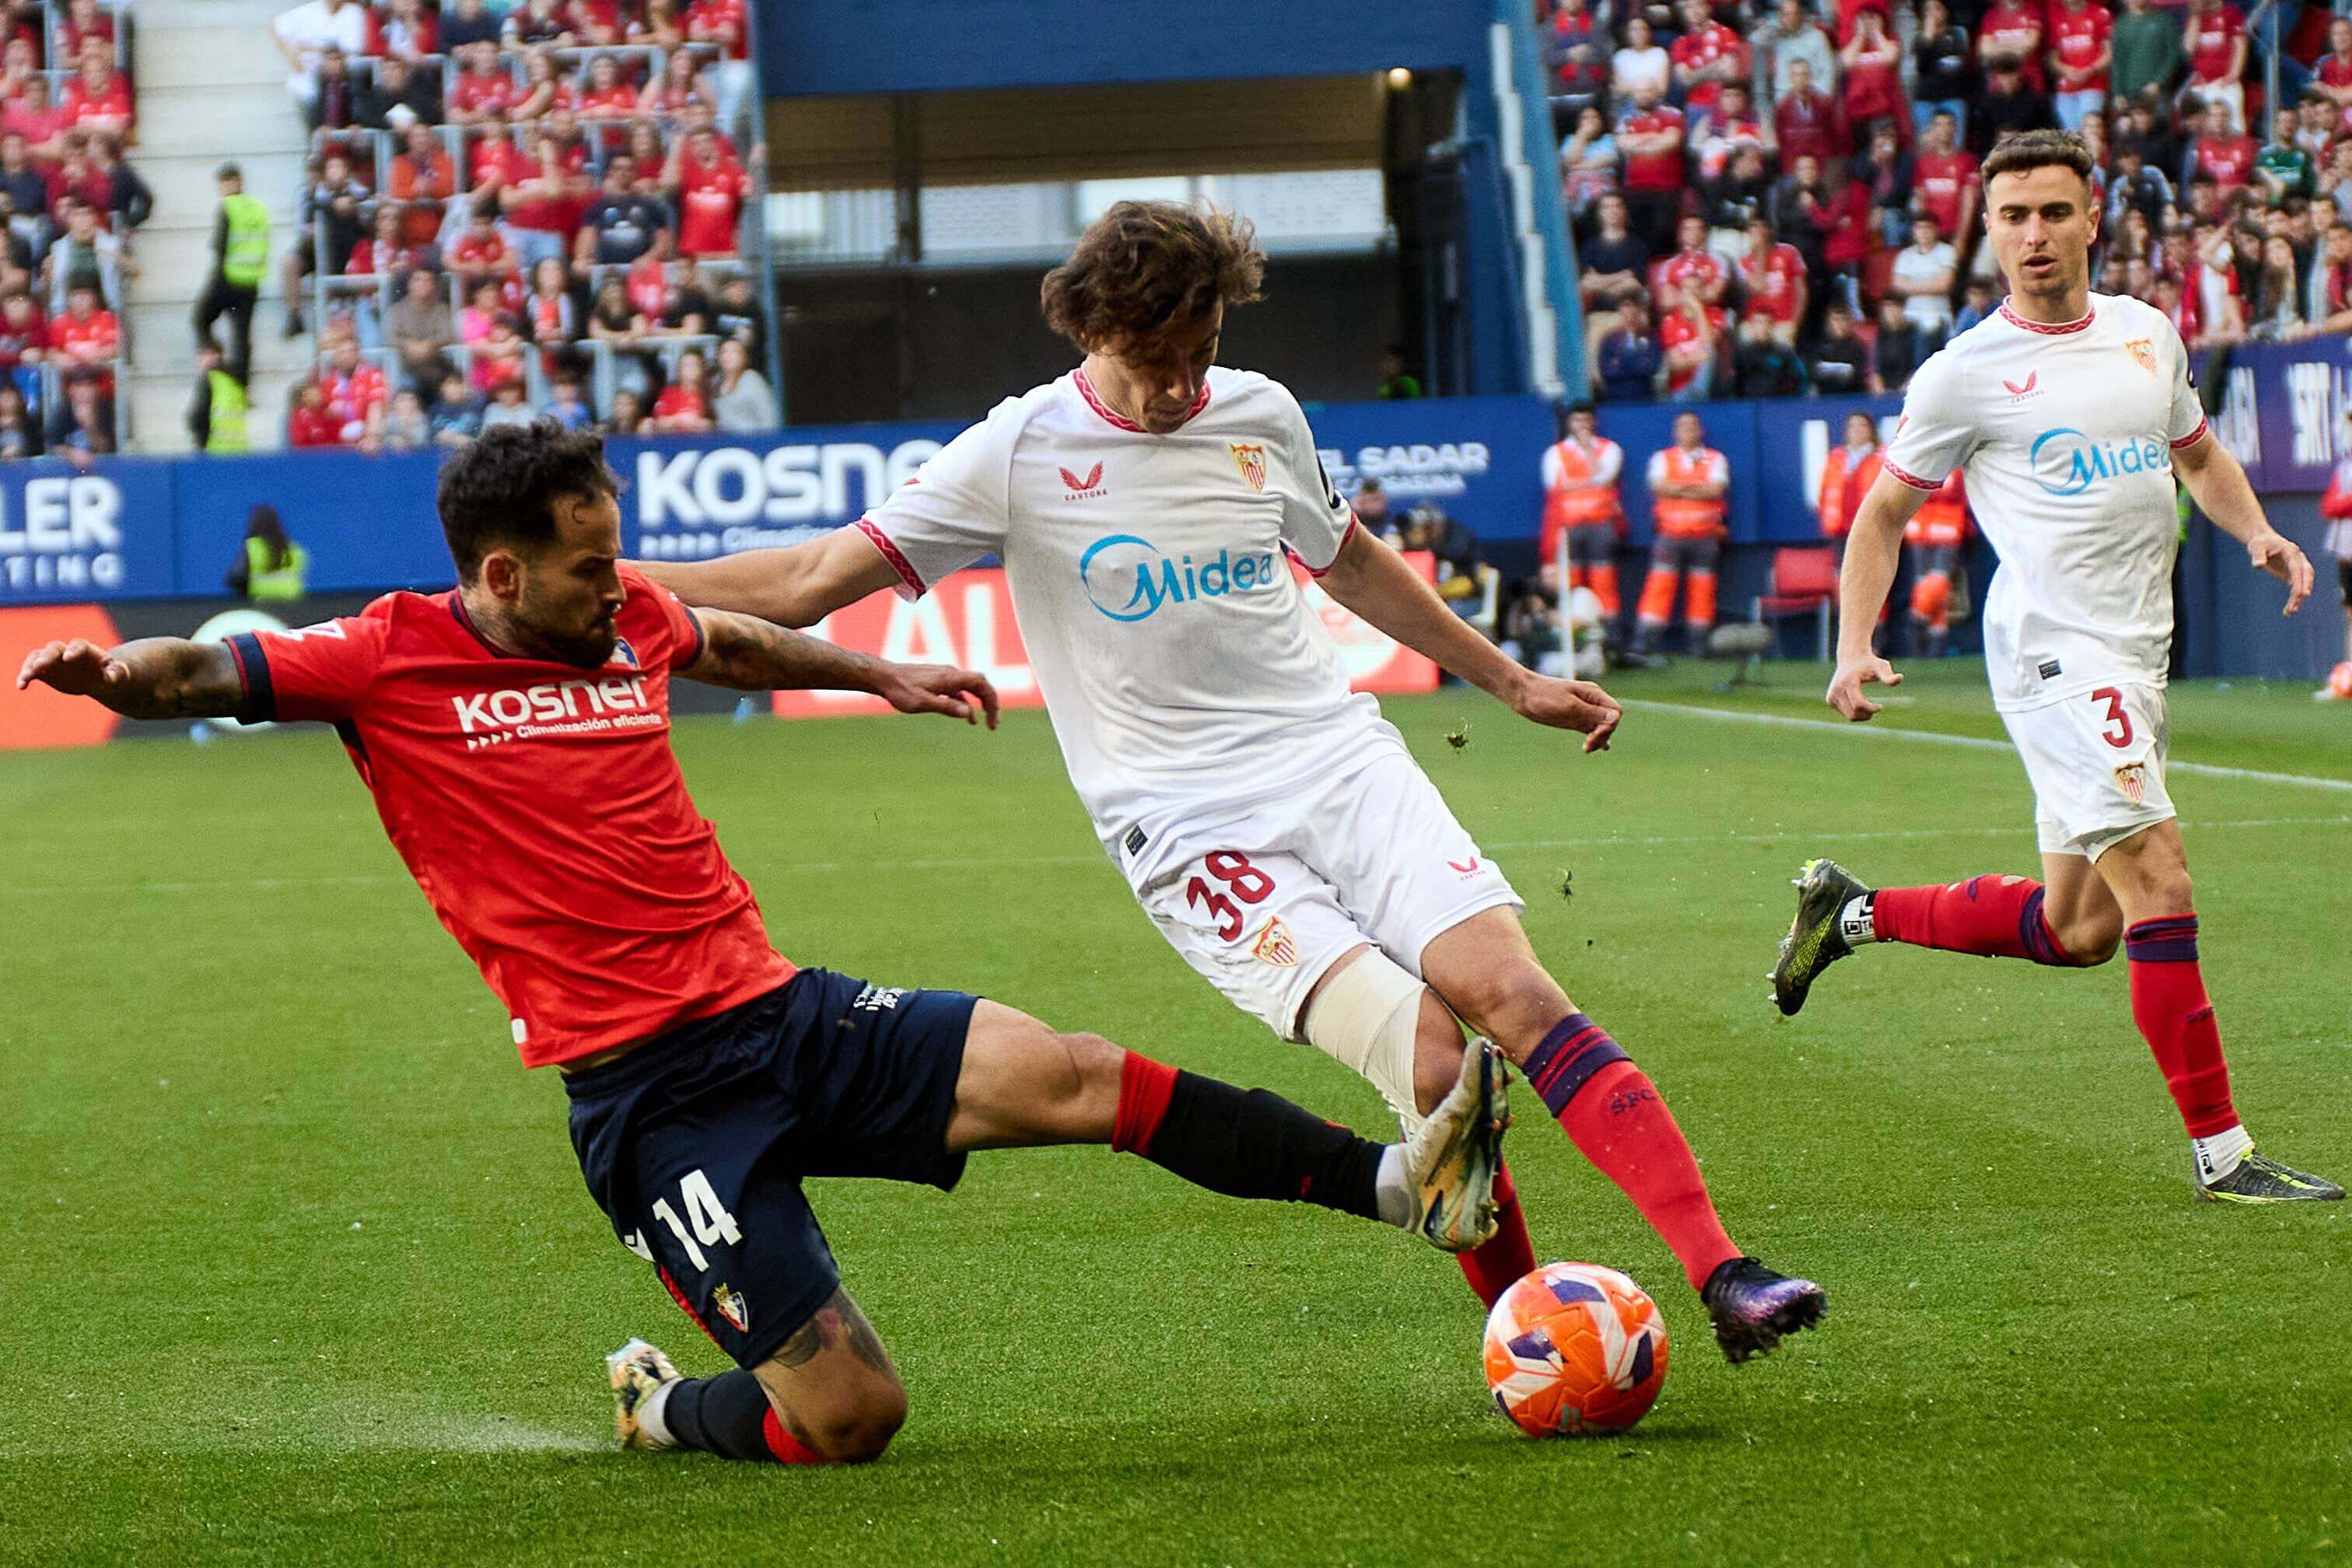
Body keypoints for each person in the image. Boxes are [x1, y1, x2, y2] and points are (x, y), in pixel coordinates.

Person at [15, 425, 1511, 1465]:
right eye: (589, 570)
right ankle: (663, 1412)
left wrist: (881, 673)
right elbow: (208, 661)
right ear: (495, 578)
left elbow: (727, 638)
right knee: (852, 1419)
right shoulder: (387, 655)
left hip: (781, 1011)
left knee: (1073, 1071)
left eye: (621, 559)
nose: (625, 589)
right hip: (650, 1102)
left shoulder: (633, 626)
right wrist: (111, 675)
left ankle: (1398, 1187)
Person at [635, 203, 1826, 1357]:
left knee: (1515, 994)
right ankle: (1530, 1337)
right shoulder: (1018, 450)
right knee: (1431, 1063)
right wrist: (603, 581)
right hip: (1188, 829)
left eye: (1198, 353)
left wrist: (1510, 682)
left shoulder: (1258, 414)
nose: (1175, 387)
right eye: (1151, 361)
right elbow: (803, 580)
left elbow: (1348, 560)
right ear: (1088, 331)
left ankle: (1724, 1271)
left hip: (1337, 760)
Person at [1774, 130, 2340, 1206]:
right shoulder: (1964, 375)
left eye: (2052, 212)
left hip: (2136, 652)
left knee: (2082, 929)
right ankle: (2224, 1155)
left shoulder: (2143, 336)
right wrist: (1853, 646)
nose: (2034, 234)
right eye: (2012, 217)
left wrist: (2257, 532)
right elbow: (1883, 514)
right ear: (1988, 233)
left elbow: (2200, 456)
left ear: (2093, 220)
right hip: (2053, 656)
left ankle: (1852, 914)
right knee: (2163, 878)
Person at [1631, 410, 1731, 656]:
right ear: (1675, 432)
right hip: (1670, 535)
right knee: (1659, 587)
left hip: (1705, 536)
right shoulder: (1662, 458)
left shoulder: (1715, 458)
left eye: (1693, 426)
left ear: (1700, 430)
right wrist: (1696, 488)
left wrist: (1678, 489)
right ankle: (1646, 642)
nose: (1688, 431)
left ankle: (1699, 644)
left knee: (1703, 589)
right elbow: (1658, 486)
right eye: (1683, 426)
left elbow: (1716, 490)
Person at [1538, 404, 1624, 619]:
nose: (1582, 426)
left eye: (1586, 420)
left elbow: (1607, 479)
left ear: (1593, 422)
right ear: (1569, 423)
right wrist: (1593, 481)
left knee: (1603, 579)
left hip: (1601, 524)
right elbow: (1554, 485)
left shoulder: (1609, 449)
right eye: (1577, 420)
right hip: (1567, 526)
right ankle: (1573, 628)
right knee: (1569, 580)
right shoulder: (1555, 453)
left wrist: (1587, 451)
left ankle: (1609, 632)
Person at [193, 164, 268, 381]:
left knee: (200, 318)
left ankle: (215, 365)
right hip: (251, 280)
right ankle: (241, 384)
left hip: (227, 277)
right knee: (242, 335)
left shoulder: (227, 207)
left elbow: (220, 245)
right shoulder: (258, 208)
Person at [1902, 472, 1969, 656]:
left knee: (1938, 583)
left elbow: (1958, 494)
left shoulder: (1958, 468)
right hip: (1920, 528)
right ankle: (1933, 649)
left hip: (1948, 529)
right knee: (1923, 584)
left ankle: (1916, 620)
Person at [2322, 409, 2352, 698]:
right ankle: (2349, 673)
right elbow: (2330, 506)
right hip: (2346, 551)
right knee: (2349, 614)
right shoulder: (2345, 468)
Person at [225, 505, 307, 601]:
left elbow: (236, 577)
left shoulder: (253, 546)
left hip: (261, 601)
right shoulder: (295, 550)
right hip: (293, 602)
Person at [187, 341, 250, 453]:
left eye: (203, 356)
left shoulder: (209, 380)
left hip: (214, 452)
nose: (199, 361)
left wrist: (200, 446)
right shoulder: (235, 382)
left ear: (216, 356)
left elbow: (198, 416)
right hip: (240, 452)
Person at [711, 336, 775, 432]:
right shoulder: (716, 384)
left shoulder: (752, 380)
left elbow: (769, 418)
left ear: (744, 357)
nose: (728, 356)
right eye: (724, 352)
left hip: (753, 441)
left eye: (734, 352)